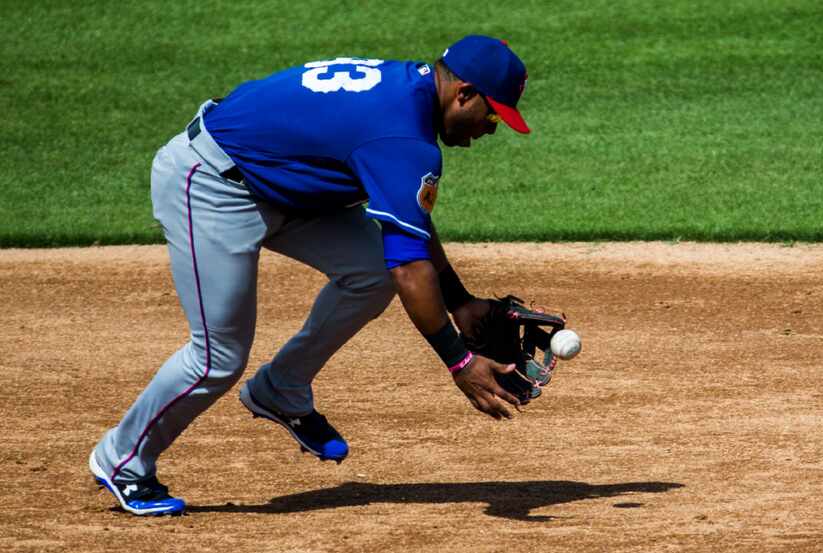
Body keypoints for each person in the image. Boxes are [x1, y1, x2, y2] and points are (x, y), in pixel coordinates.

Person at [89, 35, 532, 516]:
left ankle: (281, 388)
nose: (490, 130)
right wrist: (459, 362)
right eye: (492, 116)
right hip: (214, 183)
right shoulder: (401, 137)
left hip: (284, 185)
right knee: (217, 356)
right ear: (464, 93)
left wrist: (460, 301)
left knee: (370, 271)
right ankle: (123, 461)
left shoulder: (411, 93)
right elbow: (408, 267)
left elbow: (409, 230)